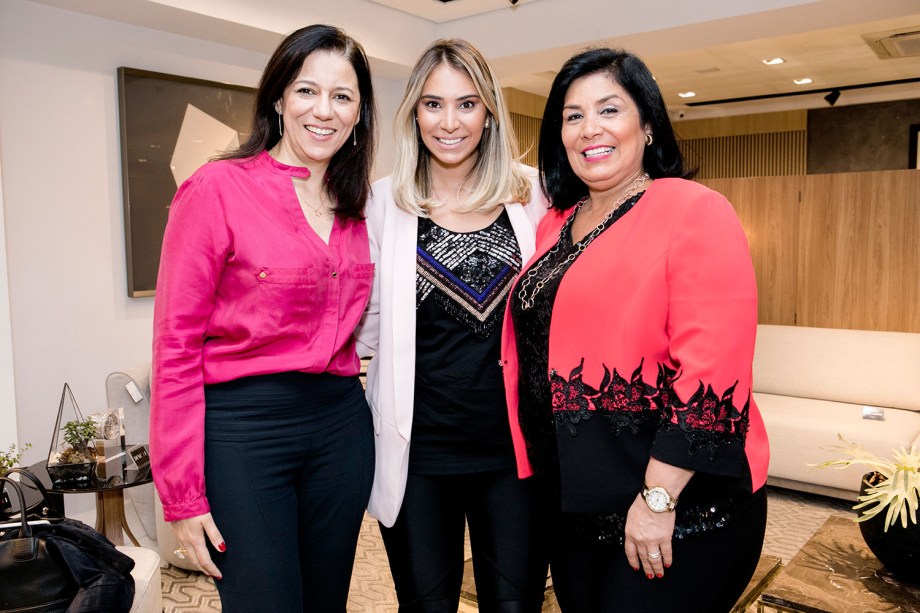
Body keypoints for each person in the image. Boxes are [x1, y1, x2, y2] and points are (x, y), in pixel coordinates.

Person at [502, 48, 770, 612]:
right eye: (572, 116)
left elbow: (713, 371)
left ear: (647, 124)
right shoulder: (556, 222)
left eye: (609, 110)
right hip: (575, 506)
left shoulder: (694, 209)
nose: (589, 129)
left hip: (678, 509)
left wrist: (658, 498)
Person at [149, 24, 377, 613]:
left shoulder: (358, 208)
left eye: (343, 96)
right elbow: (175, 347)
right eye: (307, 90)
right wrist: (181, 495)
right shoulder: (216, 190)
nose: (323, 110)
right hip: (243, 435)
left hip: (340, 430)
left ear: (359, 115)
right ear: (278, 98)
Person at [355, 39, 549, 612]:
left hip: (514, 455)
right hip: (419, 458)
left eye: (467, 104)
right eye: (433, 104)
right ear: (414, 111)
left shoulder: (534, 193)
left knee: (515, 607)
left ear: (490, 112)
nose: (449, 121)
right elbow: (365, 326)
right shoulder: (382, 203)